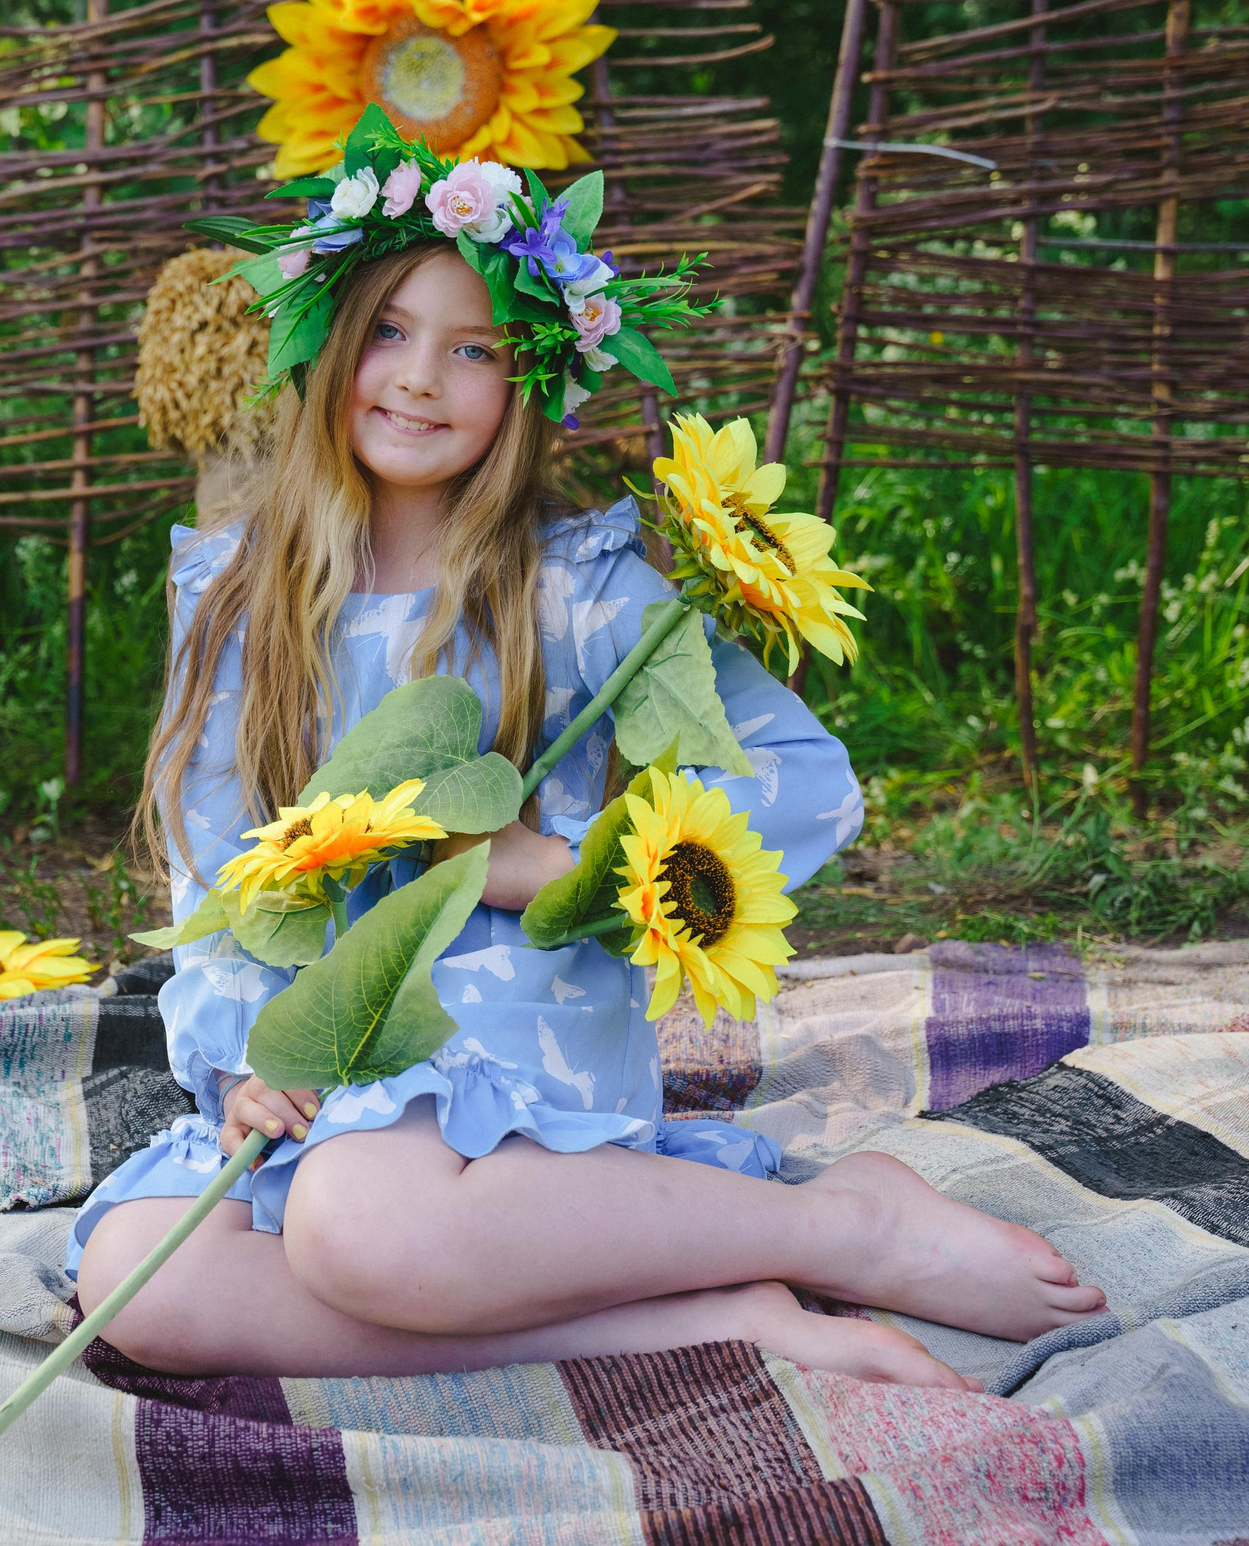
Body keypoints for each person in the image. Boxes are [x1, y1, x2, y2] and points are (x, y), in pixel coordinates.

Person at [71, 234, 1105, 1390]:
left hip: (509, 1020)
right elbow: (217, 876)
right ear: (327, 344)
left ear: (528, 384)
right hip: (329, 1028)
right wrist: (240, 1068)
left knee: (357, 1225)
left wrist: (564, 870)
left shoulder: (575, 584)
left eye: (473, 350)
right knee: (137, 1281)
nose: (418, 378)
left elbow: (804, 781)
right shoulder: (233, 588)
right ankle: (721, 1320)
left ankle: (842, 1227)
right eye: (389, 332)